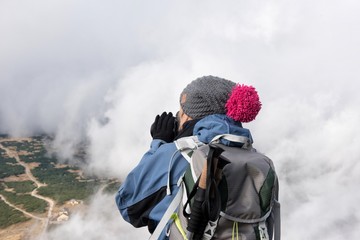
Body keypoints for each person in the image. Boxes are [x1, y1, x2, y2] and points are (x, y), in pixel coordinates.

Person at [116, 75, 263, 239]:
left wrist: (160, 145)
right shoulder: (256, 160)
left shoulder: (177, 154)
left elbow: (128, 206)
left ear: (189, 115)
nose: (178, 116)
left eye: (181, 111)